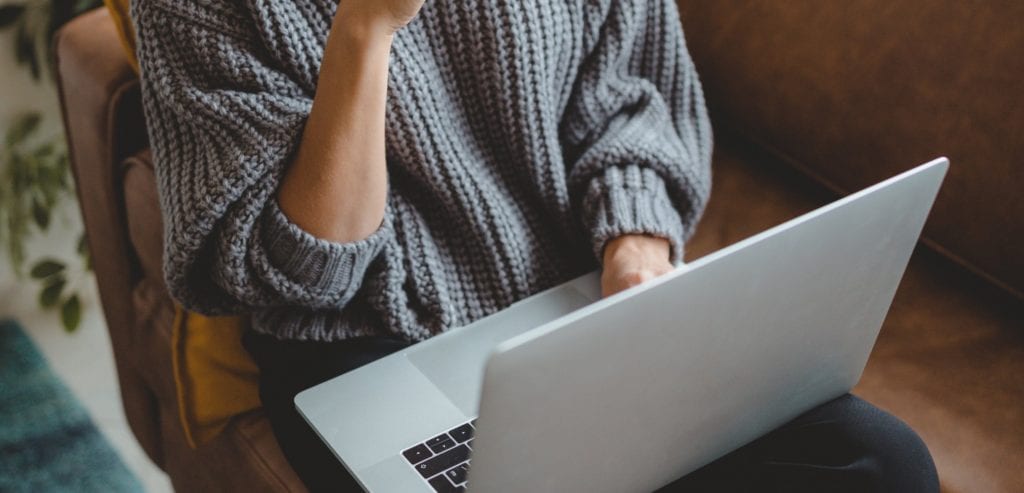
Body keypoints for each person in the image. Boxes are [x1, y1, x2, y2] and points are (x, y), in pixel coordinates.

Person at [131, 0, 939, 491]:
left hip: (567, 293)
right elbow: (298, 271)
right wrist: (364, 30)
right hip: (367, 344)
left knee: (876, 461)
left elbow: (628, 95)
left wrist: (636, 254)